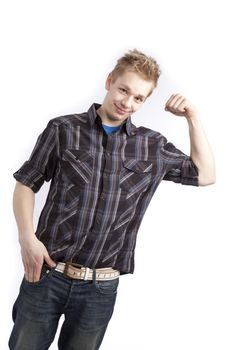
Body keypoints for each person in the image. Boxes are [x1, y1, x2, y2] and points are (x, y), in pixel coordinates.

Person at [9, 49, 215, 350]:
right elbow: (26, 183)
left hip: (100, 287)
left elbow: (205, 175)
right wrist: (27, 238)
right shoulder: (63, 129)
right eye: (124, 90)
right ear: (109, 81)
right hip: (46, 274)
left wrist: (193, 118)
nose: (127, 103)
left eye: (139, 98)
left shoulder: (151, 146)